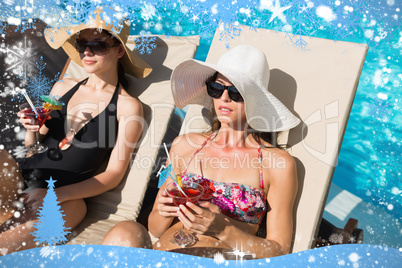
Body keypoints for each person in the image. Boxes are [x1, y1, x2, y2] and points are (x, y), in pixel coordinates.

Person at [102, 45, 301, 259]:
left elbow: (280, 250)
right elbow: (156, 229)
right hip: (161, 255)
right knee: (125, 230)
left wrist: (224, 230)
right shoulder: (186, 145)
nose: (224, 98)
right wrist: (163, 210)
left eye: (236, 92)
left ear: (256, 100)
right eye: (217, 88)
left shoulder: (275, 163)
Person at [0, 9, 152, 254]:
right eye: (82, 44)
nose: (87, 52)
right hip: (22, 179)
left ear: (119, 50)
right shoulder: (62, 87)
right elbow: (33, 149)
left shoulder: (128, 106)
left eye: (98, 45)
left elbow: (113, 174)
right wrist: (32, 130)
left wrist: (55, 194)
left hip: (68, 200)